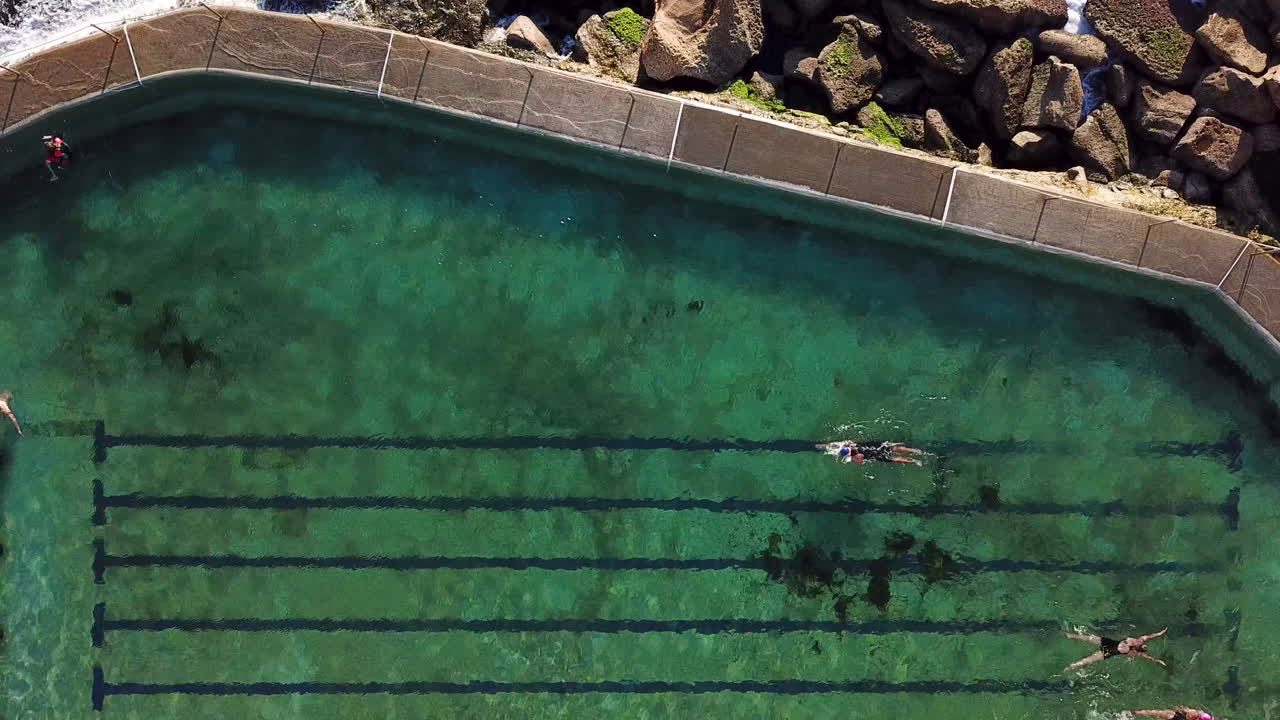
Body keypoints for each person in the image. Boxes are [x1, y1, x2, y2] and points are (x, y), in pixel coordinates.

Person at [1064, 628, 1167, 672]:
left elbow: (1147, 657)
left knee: (1088, 660)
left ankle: (1071, 667)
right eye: (1144, 645)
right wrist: (1160, 633)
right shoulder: (1140, 639)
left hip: (1110, 652)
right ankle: (1070, 635)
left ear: (1140, 649)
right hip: (1110, 642)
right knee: (1088, 638)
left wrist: (1158, 660)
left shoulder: (1134, 652)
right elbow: (1151, 636)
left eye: (1143, 648)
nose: (1143, 645)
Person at [817, 441, 924, 465]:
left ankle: (914, 461)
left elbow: (861, 461)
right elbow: (852, 442)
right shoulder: (854, 446)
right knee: (893, 448)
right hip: (873, 448)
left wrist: (856, 460)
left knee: (894, 459)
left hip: (874, 455)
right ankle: (913, 451)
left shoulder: (854, 456)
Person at [1130, 707, 1212, 720]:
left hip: (1175, 714)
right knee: (1156, 713)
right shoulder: (1193, 712)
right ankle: (1135, 713)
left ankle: (1135, 713)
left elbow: (1182, 708)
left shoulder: (1194, 712)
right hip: (1174, 715)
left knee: (1156, 713)